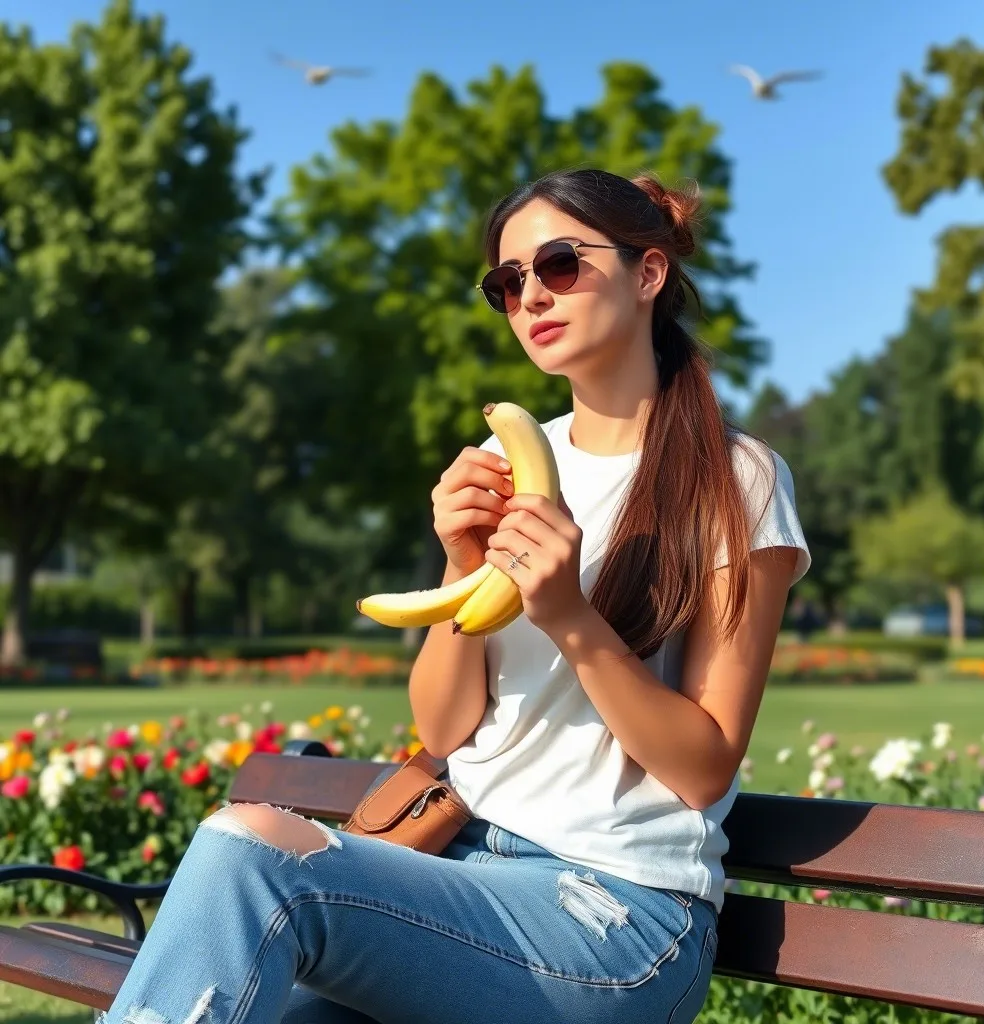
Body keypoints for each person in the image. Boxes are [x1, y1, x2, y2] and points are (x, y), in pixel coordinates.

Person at [98, 168, 811, 1024]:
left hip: (617, 918)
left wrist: (570, 620)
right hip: (453, 872)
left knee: (248, 849)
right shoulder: (514, 464)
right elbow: (443, 729)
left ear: (648, 274)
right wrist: (459, 560)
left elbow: (703, 767)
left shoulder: (737, 480)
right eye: (505, 284)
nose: (529, 298)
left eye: (557, 265)